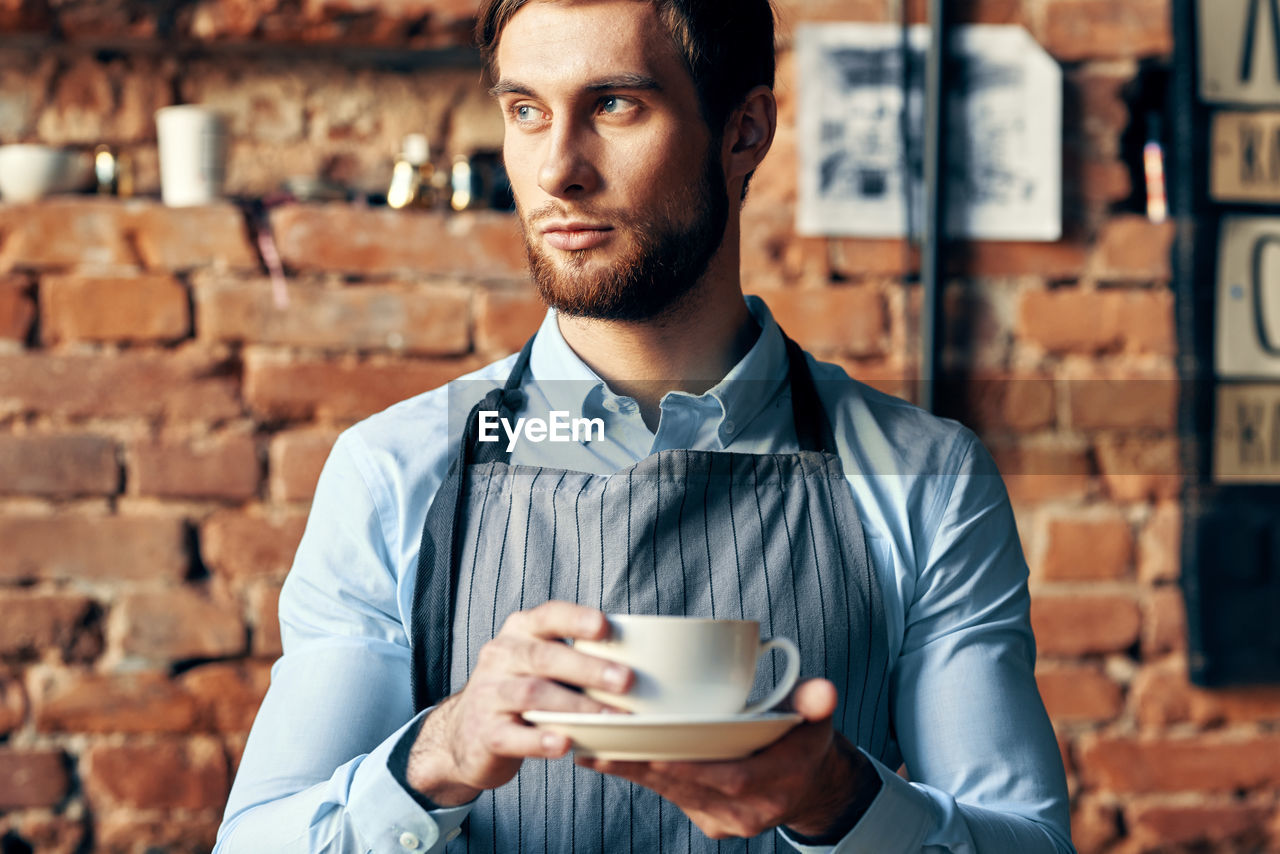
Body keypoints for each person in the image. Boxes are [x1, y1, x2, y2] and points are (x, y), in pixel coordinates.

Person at [215, 0, 1075, 851]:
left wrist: (841, 800)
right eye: (527, 111)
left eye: (615, 105)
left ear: (743, 133)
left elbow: (1032, 842)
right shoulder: (391, 470)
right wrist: (441, 752)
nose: (557, 171)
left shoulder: (929, 479)